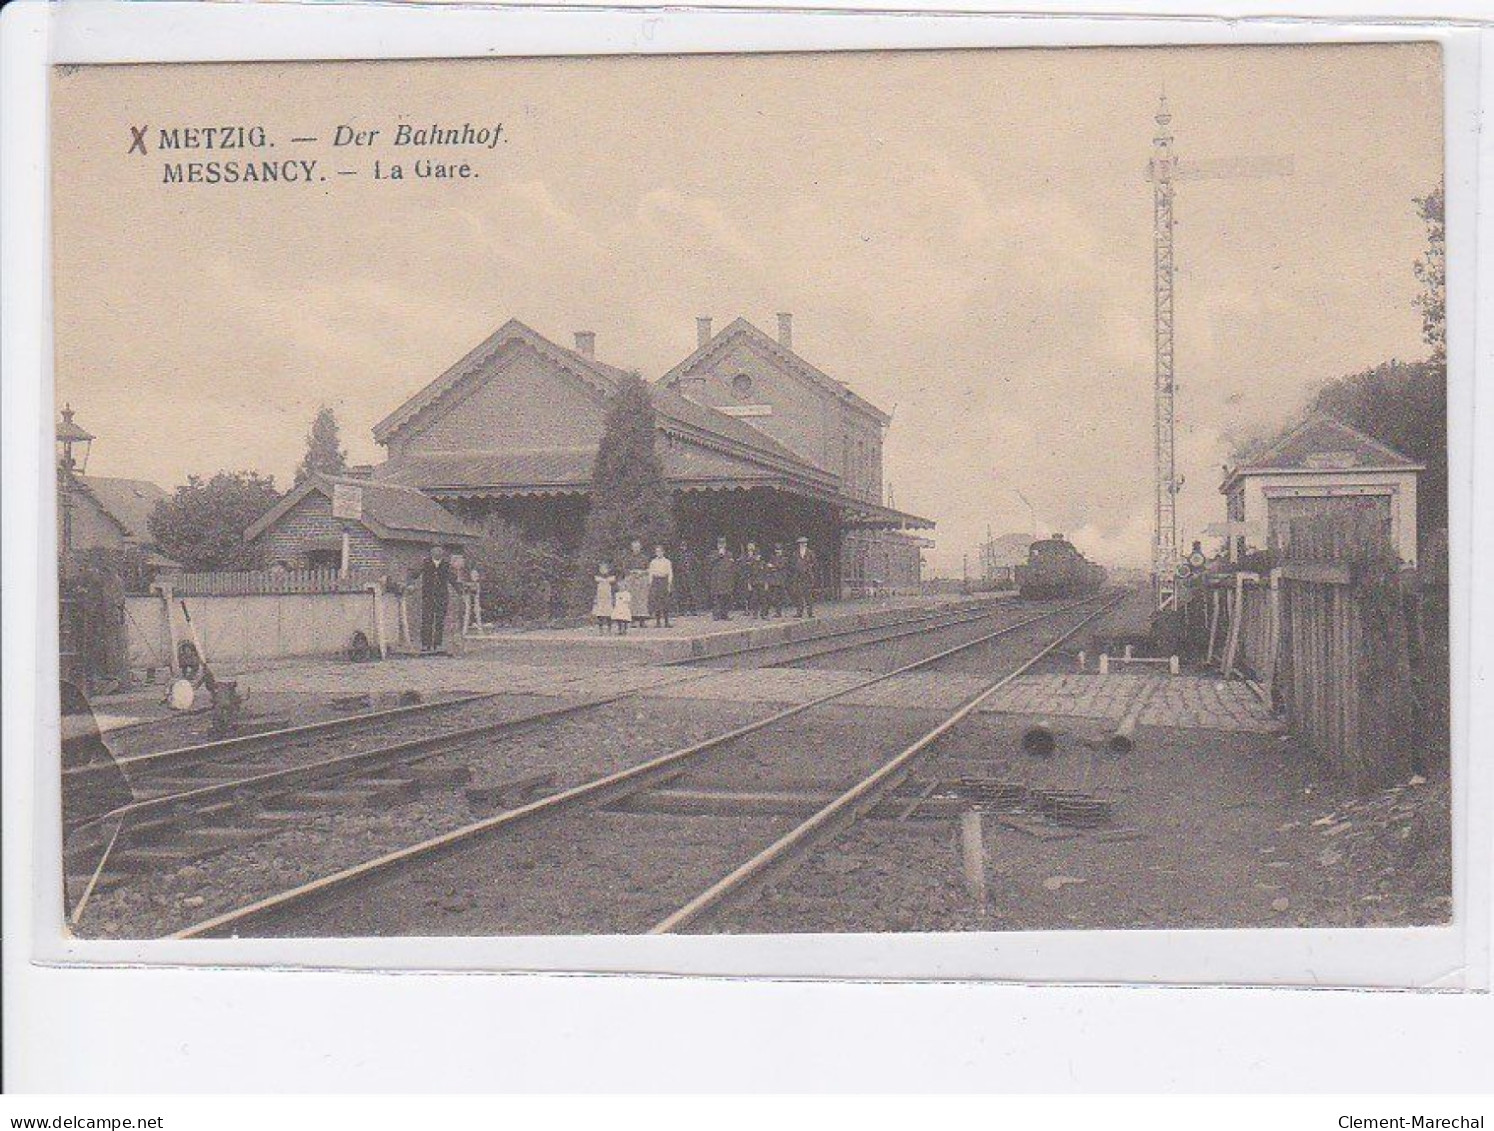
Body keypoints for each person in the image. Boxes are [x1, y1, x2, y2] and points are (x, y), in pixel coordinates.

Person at [414, 544, 454, 653]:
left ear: (442, 554)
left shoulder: (446, 565)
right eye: (435, 552)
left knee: (439, 621)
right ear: (431, 553)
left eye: (440, 552)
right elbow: (415, 574)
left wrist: (460, 589)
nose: (437, 553)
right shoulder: (425, 563)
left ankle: (438, 644)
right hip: (428, 596)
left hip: (442, 597)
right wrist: (410, 583)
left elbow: (452, 579)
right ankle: (425, 644)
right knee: (427, 620)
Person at [789, 536, 818, 618]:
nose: (803, 545)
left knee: (808, 595)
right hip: (798, 576)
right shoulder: (795, 553)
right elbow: (792, 564)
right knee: (798, 595)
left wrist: (808, 568)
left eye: (804, 543)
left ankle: (810, 612)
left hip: (807, 576)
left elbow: (814, 563)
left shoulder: (810, 553)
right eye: (801, 543)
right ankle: (799, 612)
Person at [709, 536, 736, 621]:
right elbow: (710, 563)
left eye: (723, 544)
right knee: (717, 598)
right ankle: (716, 615)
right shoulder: (713, 553)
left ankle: (725, 614)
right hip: (717, 580)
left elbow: (731, 566)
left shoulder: (729, 554)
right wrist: (719, 555)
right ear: (717, 545)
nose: (721, 546)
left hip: (726, 579)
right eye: (720, 544)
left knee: (726, 597)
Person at [648, 545, 674, 628]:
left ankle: (666, 622)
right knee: (657, 602)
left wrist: (669, 583)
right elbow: (651, 573)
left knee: (665, 601)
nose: (658, 553)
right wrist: (651, 583)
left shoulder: (667, 561)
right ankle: (658, 622)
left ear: (663, 552)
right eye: (657, 551)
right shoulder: (653, 562)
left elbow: (670, 572)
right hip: (656, 581)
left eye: (660, 551)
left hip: (664, 580)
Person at [592, 562, 616, 634]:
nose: (603, 570)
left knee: (609, 613)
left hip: (608, 597)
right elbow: (595, 587)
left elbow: (613, 586)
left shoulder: (611, 578)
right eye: (601, 569)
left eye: (605, 568)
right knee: (600, 614)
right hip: (600, 597)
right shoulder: (597, 578)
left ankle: (609, 629)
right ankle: (601, 629)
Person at [675, 541, 698, 615]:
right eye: (682, 546)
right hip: (681, 576)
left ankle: (693, 610)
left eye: (684, 546)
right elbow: (675, 565)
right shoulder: (678, 555)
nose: (683, 547)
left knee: (692, 593)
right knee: (682, 593)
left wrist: (692, 570)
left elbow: (696, 564)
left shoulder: (691, 555)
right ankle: (682, 611)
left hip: (690, 576)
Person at [765, 543, 788, 618]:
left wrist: (773, 566)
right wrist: (772, 567)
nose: (778, 552)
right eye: (777, 550)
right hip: (772, 580)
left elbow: (781, 566)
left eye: (779, 550)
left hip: (780, 580)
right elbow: (768, 566)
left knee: (778, 597)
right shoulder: (773, 558)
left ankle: (778, 612)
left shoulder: (784, 558)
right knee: (771, 596)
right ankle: (768, 612)